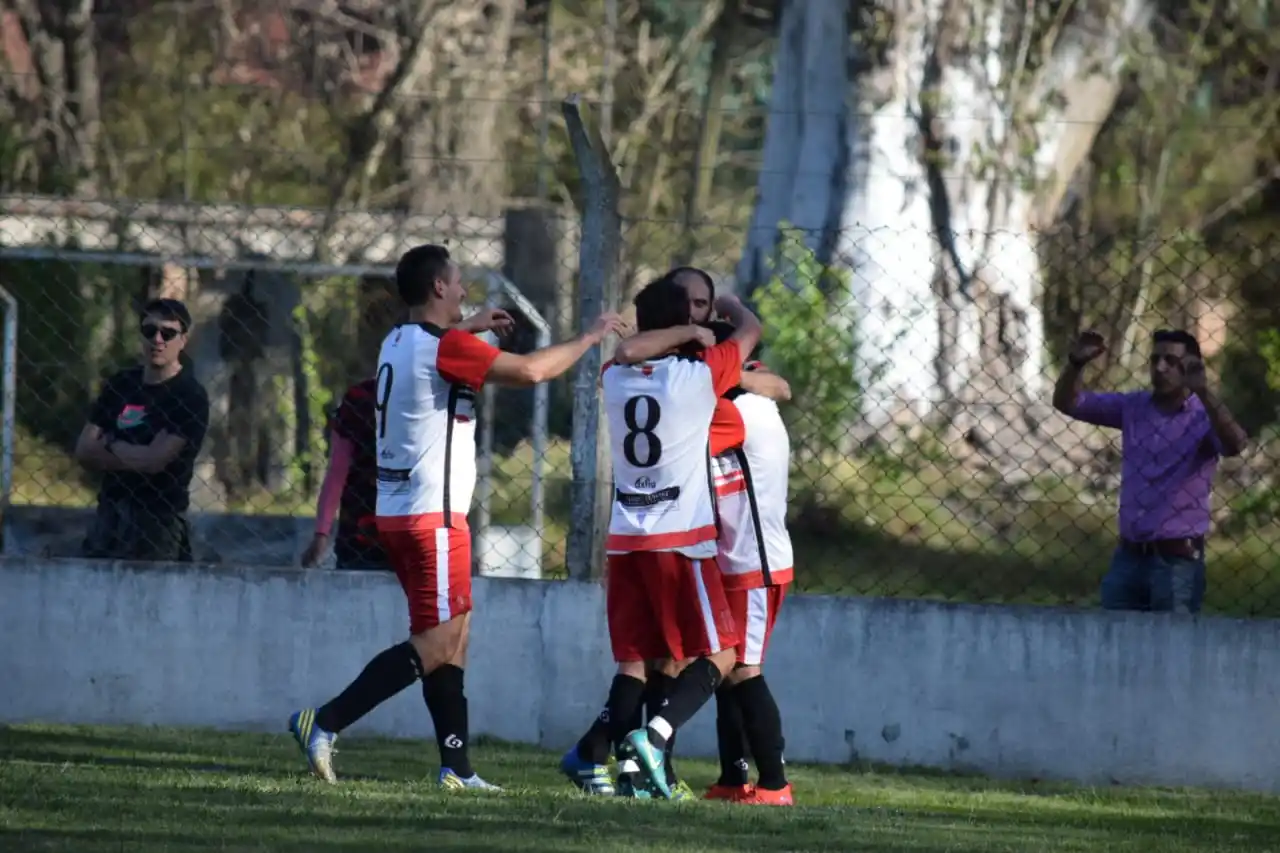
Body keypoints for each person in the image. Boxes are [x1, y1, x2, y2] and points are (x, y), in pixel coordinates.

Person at [288, 244, 621, 788]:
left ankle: (456, 768)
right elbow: (534, 371)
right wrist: (589, 336)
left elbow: (434, 345)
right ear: (438, 288)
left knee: (452, 638)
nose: (465, 291)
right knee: (440, 643)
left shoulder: (396, 339)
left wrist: (469, 324)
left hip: (400, 513)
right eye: (459, 282)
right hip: (432, 518)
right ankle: (323, 722)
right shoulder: (446, 349)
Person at [601, 316, 796, 806]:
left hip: (755, 559)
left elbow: (776, 387)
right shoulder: (732, 394)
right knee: (720, 666)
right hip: (722, 554)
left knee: (742, 666)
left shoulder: (733, 408)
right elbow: (778, 385)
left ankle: (774, 785)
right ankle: (733, 779)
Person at [1052, 328, 1247, 613]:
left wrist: (1204, 391)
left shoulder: (1204, 416)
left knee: (1172, 648)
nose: (1160, 367)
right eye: (1155, 359)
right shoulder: (1132, 407)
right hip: (1128, 556)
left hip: (1176, 562)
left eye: (1171, 360)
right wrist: (1076, 364)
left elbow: (1235, 445)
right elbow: (1068, 402)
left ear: (1190, 367)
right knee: (1115, 640)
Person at [74, 298, 210, 562]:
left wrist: (111, 443)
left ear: (182, 340)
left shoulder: (189, 394)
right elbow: (84, 451)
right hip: (110, 511)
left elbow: (154, 461)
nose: (157, 339)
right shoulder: (121, 383)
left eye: (168, 333)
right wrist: (137, 453)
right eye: (150, 331)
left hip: (157, 518)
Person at [300, 377, 387, 571]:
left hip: (363, 533)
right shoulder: (429, 397)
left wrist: (321, 534)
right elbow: (338, 471)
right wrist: (321, 533)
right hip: (394, 529)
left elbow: (337, 471)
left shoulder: (360, 396)